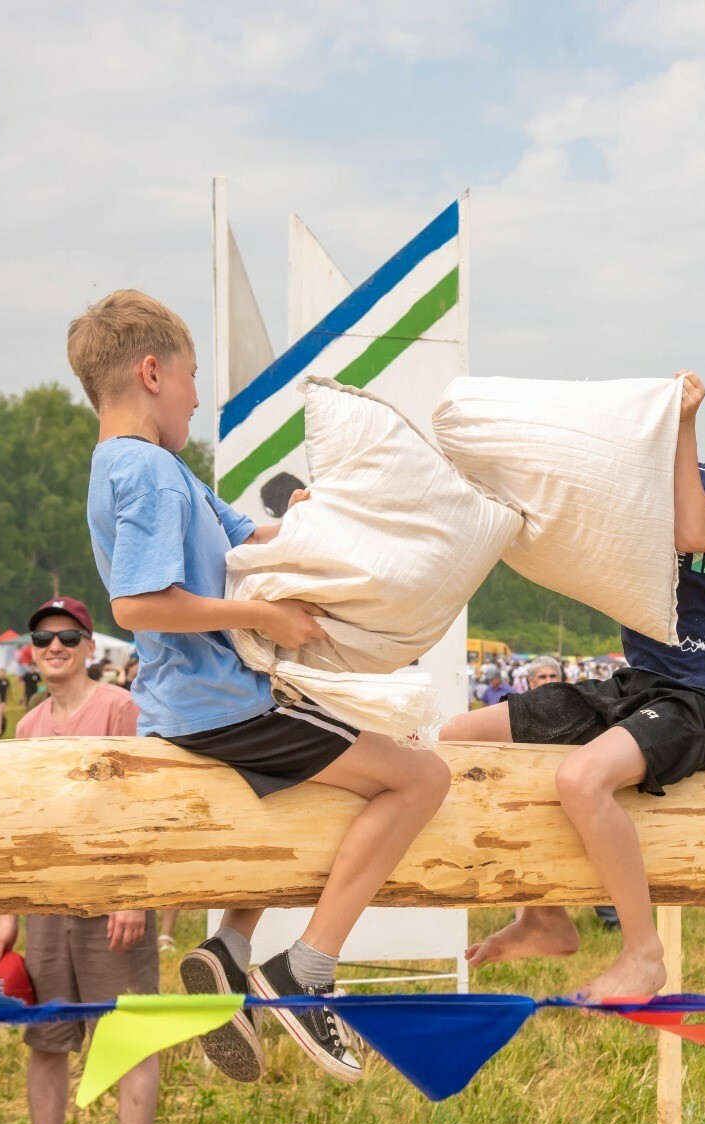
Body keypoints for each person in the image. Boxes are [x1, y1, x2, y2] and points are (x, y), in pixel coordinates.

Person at [71, 288, 448, 1083]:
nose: (199, 396)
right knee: (421, 778)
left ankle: (230, 948)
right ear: (151, 372)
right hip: (220, 705)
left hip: (210, 700)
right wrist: (263, 617)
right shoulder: (145, 472)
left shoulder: (151, 467)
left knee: (318, 801)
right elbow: (137, 602)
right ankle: (305, 972)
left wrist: (313, 520)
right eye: (192, 377)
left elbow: (246, 537)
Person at [442, 358, 705, 1000]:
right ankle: (543, 913)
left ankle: (642, 953)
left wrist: (679, 427)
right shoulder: (668, 478)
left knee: (580, 778)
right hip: (641, 682)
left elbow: (693, 531)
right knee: (461, 734)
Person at [0, 598, 158, 1124]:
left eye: (66, 636)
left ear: (89, 646)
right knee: (47, 1036)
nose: (54, 646)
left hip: (111, 901)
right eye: (42, 638)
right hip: (46, 904)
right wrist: (10, 914)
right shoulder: (28, 726)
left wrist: (132, 894)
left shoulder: (121, 708)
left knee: (128, 1032)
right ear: (31, 652)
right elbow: (25, 827)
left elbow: (148, 803)